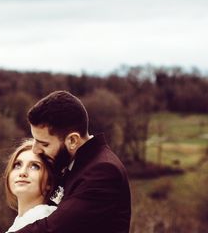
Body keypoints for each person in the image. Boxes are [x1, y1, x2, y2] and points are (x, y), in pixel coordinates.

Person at [16, 90, 132, 233]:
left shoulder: (103, 171)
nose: (35, 150)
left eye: (44, 144)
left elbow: (53, 228)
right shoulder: (73, 163)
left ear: (72, 140)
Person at [4, 139, 57, 232]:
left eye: (34, 166)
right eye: (17, 165)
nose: (22, 173)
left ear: (49, 181)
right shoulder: (19, 222)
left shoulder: (47, 218)